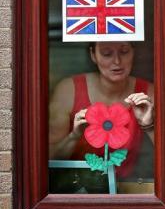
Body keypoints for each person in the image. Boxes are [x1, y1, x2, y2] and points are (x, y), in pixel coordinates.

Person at [48, 42, 154, 183]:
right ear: (93, 55)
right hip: (75, 188)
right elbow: (49, 158)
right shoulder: (68, 91)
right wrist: (74, 136)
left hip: (127, 189)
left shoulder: (148, 94)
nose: (117, 61)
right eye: (106, 53)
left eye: (124, 52)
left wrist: (148, 126)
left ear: (133, 53)